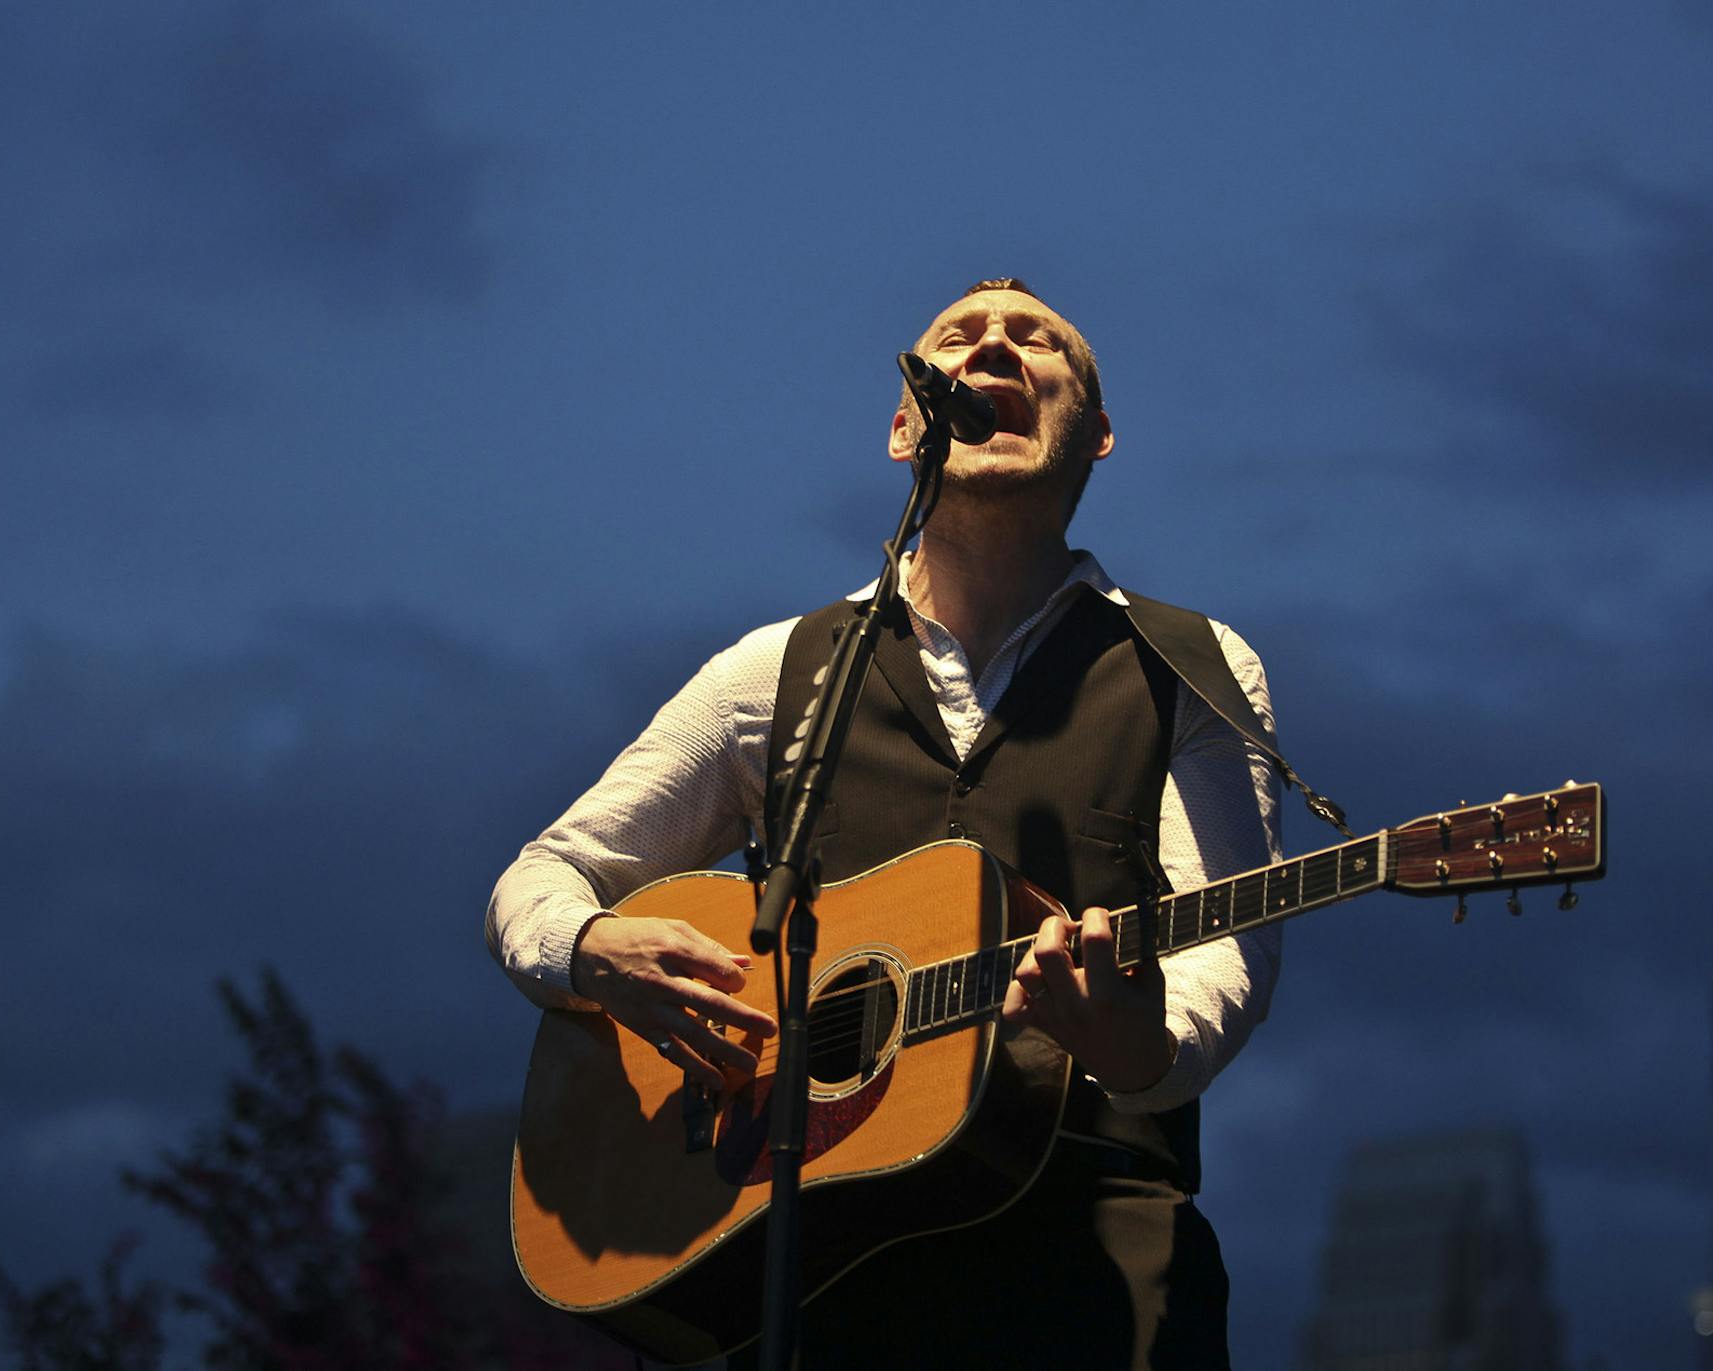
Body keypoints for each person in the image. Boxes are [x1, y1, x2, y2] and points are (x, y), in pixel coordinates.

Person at [489, 278, 1282, 1369]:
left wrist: (1138, 1047)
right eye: (961, 337)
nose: (996, 343)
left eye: (1038, 340)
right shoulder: (775, 674)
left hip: (1095, 1269)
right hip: (818, 1271)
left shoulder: (1190, 667)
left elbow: (1220, 960)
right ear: (908, 422)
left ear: (1096, 436)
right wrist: (591, 949)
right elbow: (545, 877)